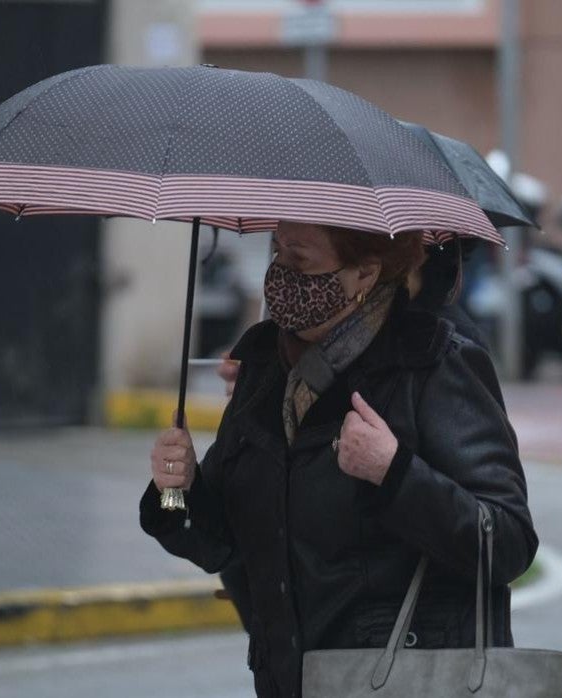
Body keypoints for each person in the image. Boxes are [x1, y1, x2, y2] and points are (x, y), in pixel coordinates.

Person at [141, 221, 537, 697]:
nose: (281, 274)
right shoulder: (265, 371)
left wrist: (394, 473)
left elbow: (507, 540)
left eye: (301, 260)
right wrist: (174, 493)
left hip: (399, 680)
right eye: (278, 254)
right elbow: (223, 545)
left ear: (365, 275)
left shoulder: (434, 363)